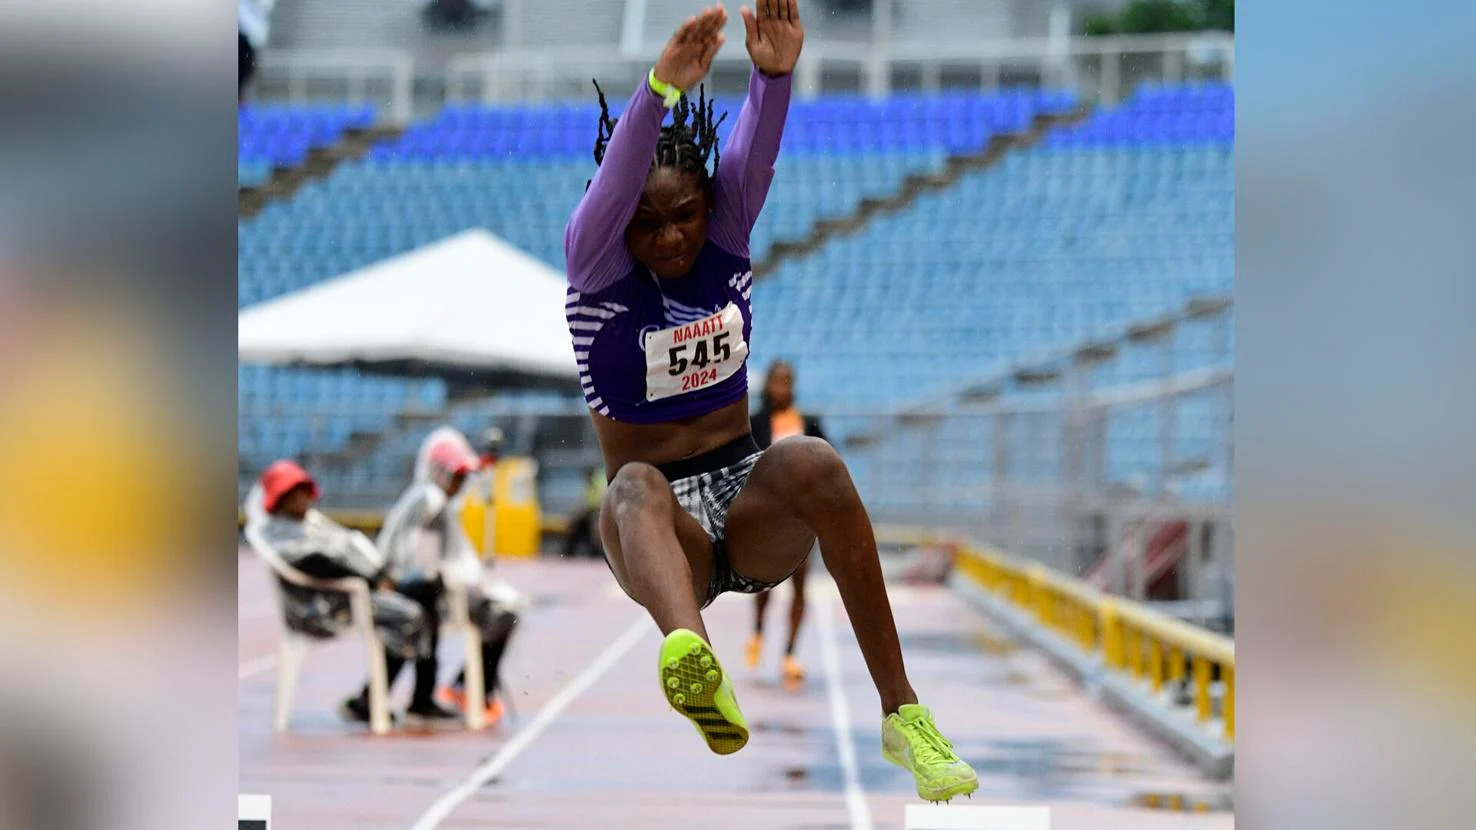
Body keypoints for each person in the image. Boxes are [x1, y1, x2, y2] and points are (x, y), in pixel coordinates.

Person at [562, 1, 977, 803]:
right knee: (633, 486)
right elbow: (618, 189)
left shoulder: (727, 237)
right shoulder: (596, 270)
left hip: (746, 506)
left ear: (709, 211)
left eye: (685, 215)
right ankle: (694, 658)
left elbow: (753, 153)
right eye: (647, 226)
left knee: (814, 460)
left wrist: (775, 74)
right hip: (658, 535)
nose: (671, 238)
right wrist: (657, 90)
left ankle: (904, 716)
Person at [358, 427, 526, 726]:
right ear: (439, 473)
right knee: (433, 603)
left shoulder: (435, 501)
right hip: (410, 590)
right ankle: (433, 693)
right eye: (457, 477)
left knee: (499, 609)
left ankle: (460, 688)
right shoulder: (429, 500)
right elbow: (415, 561)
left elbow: (446, 558)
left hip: (430, 589)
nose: (460, 486)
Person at [250, 460, 428, 724]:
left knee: (425, 588)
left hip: (348, 596)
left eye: (305, 492)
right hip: (326, 608)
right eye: (295, 493)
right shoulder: (278, 530)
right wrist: (369, 579)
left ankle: (406, 697)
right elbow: (316, 561)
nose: (304, 499)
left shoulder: (307, 524)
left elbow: (342, 550)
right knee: (414, 611)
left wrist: (377, 576)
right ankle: (391, 700)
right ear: (280, 499)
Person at [744, 360, 825, 689]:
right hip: (767, 516)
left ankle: (790, 653)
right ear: (768, 386)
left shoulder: (809, 423)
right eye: (777, 381)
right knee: (763, 582)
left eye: (787, 381)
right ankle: (759, 632)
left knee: (800, 586)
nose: (782, 387)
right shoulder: (756, 424)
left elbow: (827, 463)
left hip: (802, 516)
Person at [562, 466, 608, 558]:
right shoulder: (592, 485)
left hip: (598, 512)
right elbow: (584, 502)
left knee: (595, 526)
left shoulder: (598, 484)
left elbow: (597, 503)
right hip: (590, 513)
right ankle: (569, 552)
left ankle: (598, 552)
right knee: (577, 526)